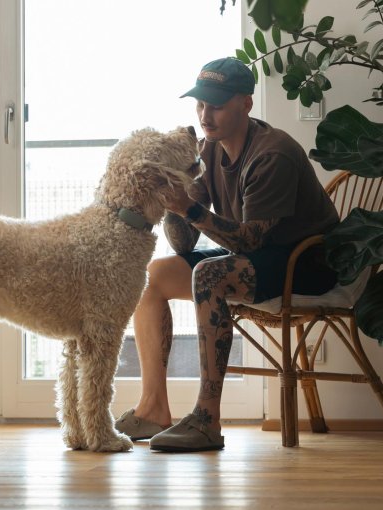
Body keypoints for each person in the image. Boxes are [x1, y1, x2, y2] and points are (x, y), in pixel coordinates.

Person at [114, 57, 340, 452]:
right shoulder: (209, 151)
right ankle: (153, 408)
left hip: (306, 262)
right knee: (152, 276)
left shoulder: (273, 154)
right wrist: (172, 196)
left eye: (216, 104)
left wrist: (190, 208)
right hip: (258, 255)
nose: (206, 114)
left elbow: (250, 241)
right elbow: (184, 242)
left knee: (210, 275)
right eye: (200, 104)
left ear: (246, 104)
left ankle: (207, 419)